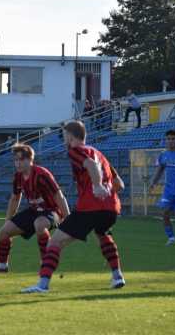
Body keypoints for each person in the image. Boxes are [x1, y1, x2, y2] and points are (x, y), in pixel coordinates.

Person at [21, 121, 125, 293]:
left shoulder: (76, 150)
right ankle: (117, 276)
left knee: (54, 242)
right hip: (111, 208)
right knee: (103, 234)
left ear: (70, 136)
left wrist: (98, 186)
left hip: (90, 207)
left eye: (64, 136)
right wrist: (105, 190)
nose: (64, 140)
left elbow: (90, 164)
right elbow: (119, 184)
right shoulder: (101, 154)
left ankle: (42, 285)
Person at [0, 143, 70, 273]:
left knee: (39, 224)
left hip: (52, 211)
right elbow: (15, 198)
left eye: (21, 159)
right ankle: (1, 267)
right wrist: (8, 220)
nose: (18, 163)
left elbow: (59, 195)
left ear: (30, 160)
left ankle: (46, 263)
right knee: (3, 232)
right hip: (34, 211)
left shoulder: (42, 174)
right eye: (15, 160)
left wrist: (68, 218)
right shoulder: (18, 176)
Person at [149, 130, 175, 246]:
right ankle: (171, 238)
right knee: (165, 213)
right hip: (168, 190)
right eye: (168, 139)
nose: (170, 141)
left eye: (173, 139)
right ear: (166, 140)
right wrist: (153, 182)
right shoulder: (163, 154)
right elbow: (160, 169)